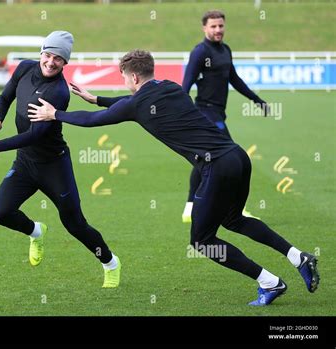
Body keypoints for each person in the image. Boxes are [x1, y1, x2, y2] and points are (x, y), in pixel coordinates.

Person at [28, 49, 320, 305]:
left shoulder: (137, 103)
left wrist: (56, 115)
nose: (125, 85)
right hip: (237, 156)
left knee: (202, 240)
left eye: (124, 79)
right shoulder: (170, 87)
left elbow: (94, 121)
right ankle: (298, 256)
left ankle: (269, 282)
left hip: (216, 166)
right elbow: (129, 104)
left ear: (132, 78)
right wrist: (98, 99)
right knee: (234, 220)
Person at [0, 31, 121, 288]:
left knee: (75, 224)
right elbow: (5, 97)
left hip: (54, 166)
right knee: (2, 212)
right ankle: (36, 231)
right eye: (48, 55)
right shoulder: (24, 68)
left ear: (65, 63)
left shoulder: (59, 92)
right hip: (25, 164)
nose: (51, 62)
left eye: (58, 59)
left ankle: (110, 262)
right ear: (41, 53)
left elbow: (33, 135)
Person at [181, 10, 270, 223]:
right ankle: (235, 208)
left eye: (221, 26)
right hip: (205, 112)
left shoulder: (225, 50)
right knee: (233, 158)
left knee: (205, 158)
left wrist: (257, 100)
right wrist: (180, 114)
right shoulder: (200, 52)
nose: (218, 30)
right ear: (204, 28)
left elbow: (235, 79)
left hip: (218, 112)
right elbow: (186, 84)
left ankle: (189, 208)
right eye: (213, 26)